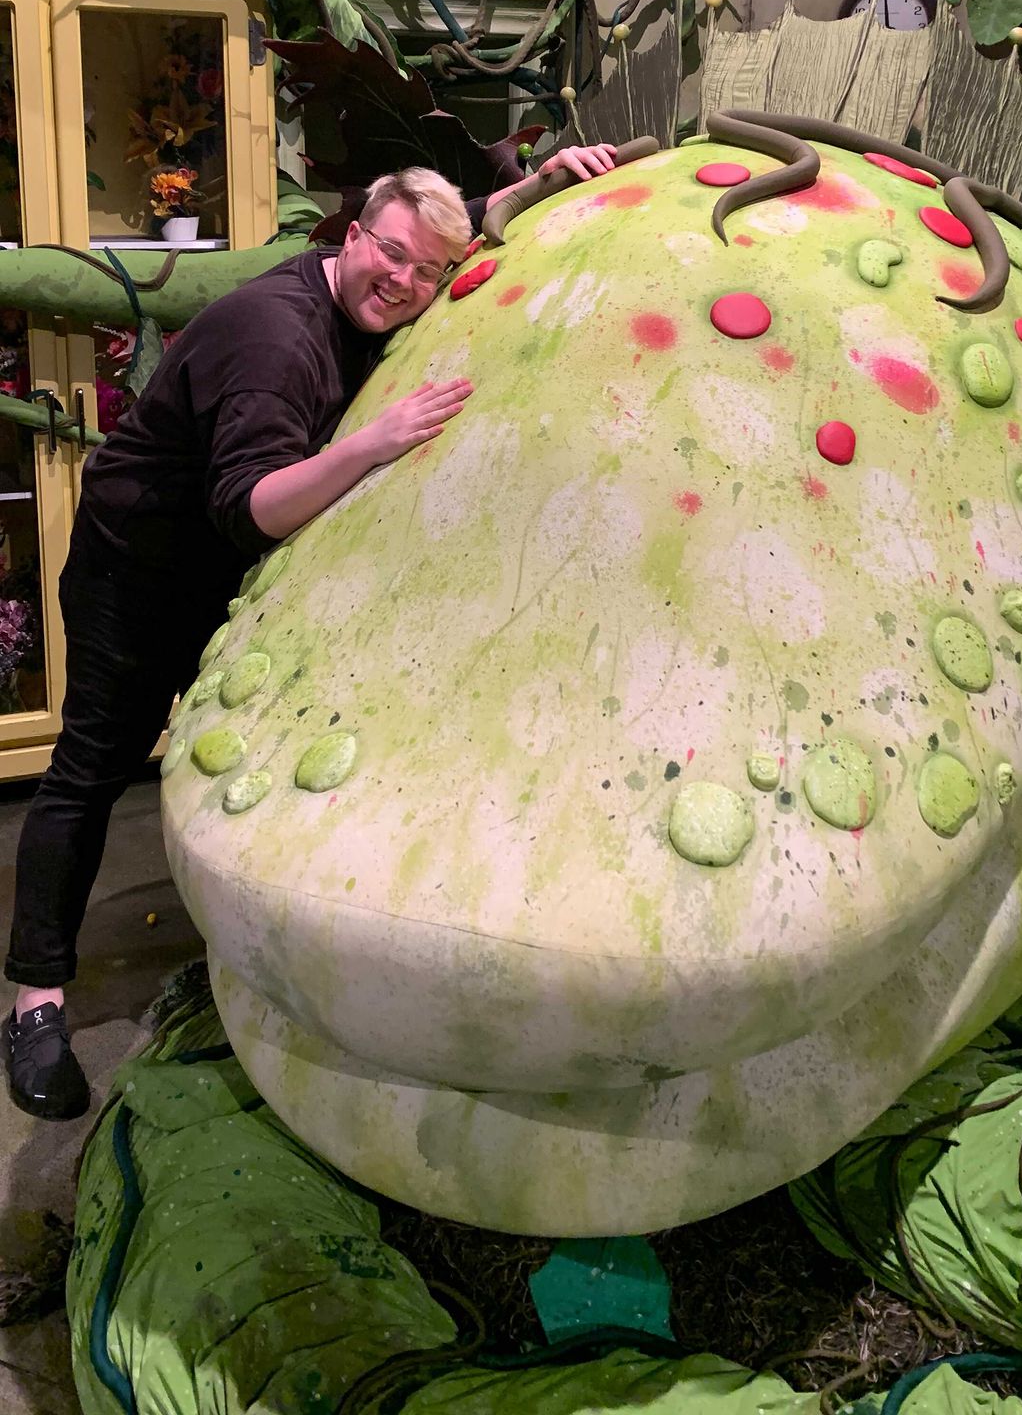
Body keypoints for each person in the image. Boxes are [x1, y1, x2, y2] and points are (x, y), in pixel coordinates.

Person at [4, 143, 617, 1119]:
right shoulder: (277, 341)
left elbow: (450, 227)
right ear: (352, 235)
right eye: (392, 256)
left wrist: (543, 180)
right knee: (93, 768)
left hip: (231, 571)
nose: (404, 282)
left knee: (249, 753)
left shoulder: (390, 266)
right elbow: (252, 507)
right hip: (141, 573)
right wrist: (376, 442)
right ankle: (35, 1003)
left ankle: (253, 956)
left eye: (427, 272)